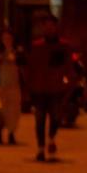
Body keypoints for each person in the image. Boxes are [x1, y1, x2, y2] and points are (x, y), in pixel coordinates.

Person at [23, 14, 76, 162]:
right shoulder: (36, 46)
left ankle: (51, 137)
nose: (49, 28)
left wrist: (69, 84)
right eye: (46, 25)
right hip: (39, 89)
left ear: (55, 27)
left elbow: (68, 67)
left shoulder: (63, 46)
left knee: (55, 117)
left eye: (51, 25)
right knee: (39, 120)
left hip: (56, 88)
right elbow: (30, 67)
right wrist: (29, 86)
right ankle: (41, 147)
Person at [0, 28, 23, 146]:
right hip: (1, 85)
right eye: (4, 38)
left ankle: (11, 133)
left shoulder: (18, 52)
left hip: (14, 84)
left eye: (9, 38)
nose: (7, 40)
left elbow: (23, 65)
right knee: (1, 110)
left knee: (13, 110)